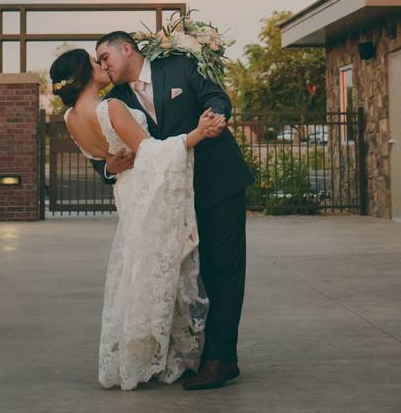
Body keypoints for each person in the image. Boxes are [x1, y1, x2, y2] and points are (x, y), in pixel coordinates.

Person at [50, 47, 225, 391]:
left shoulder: (71, 117)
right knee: (162, 269)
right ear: (85, 74)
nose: (102, 65)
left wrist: (107, 166)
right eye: (94, 62)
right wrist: (198, 133)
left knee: (139, 269)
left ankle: (144, 351)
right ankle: (165, 354)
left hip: (126, 193)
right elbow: (151, 154)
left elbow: (106, 158)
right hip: (146, 192)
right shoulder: (111, 107)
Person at [93, 31, 254, 390]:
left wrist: (216, 116)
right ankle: (197, 354)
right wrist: (108, 168)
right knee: (190, 280)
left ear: (127, 48)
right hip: (172, 204)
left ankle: (221, 359)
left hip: (219, 186)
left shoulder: (178, 67)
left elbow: (216, 95)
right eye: (99, 62)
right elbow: (103, 150)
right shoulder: (115, 100)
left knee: (223, 271)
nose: (103, 66)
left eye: (106, 57)